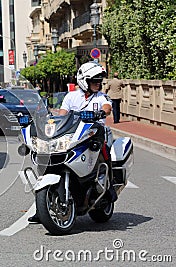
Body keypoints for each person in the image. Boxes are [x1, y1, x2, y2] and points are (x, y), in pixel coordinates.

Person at [28, 61, 115, 223]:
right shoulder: (71, 96)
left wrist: (100, 113)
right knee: (50, 159)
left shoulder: (101, 97)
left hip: (95, 132)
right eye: (94, 80)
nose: (98, 83)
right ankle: (41, 207)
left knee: (104, 149)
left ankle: (109, 188)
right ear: (83, 80)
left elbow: (107, 108)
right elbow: (62, 115)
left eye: (99, 80)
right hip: (76, 133)